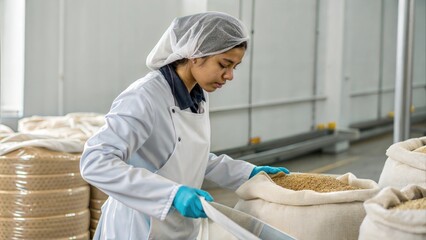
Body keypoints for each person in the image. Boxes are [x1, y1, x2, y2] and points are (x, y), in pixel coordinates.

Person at [80, 11, 289, 239]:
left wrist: (247, 173)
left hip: (180, 226)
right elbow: (95, 162)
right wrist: (172, 194)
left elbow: (192, 158)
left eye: (234, 67)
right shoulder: (144, 97)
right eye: (224, 64)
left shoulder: (198, 96)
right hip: (138, 227)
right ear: (195, 55)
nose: (229, 75)